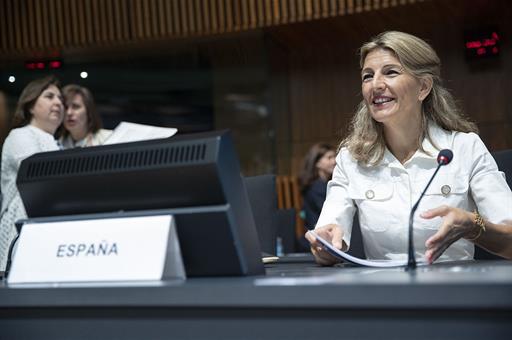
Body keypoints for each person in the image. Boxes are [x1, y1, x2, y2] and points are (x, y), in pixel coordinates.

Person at [305, 31, 512, 266]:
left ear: (423, 87)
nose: (376, 85)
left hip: (453, 293)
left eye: (391, 72)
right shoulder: (350, 159)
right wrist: (326, 248)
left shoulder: (465, 147)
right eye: (367, 76)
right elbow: (328, 242)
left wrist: (474, 227)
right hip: (385, 295)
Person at [0, 76, 64, 270]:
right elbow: (40, 175)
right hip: (21, 227)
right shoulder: (20, 135)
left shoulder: (59, 144)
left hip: (49, 224)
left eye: (61, 99)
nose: (58, 103)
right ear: (30, 106)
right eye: (49, 96)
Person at [59, 84, 111, 148]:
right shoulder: (56, 146)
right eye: (65, 107)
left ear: (89, 111)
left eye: (75, 107)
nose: (69, 113)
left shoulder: (110, 138)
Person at [299, 143, 336, 229]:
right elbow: (329, 212)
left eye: (334, 157)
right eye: (329, 157)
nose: (334, 161)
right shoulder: (314, 187)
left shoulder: (324, 183)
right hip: (319, 234)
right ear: (317, 163)